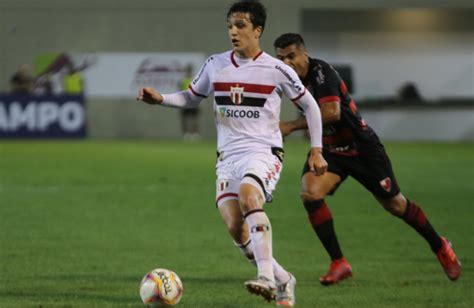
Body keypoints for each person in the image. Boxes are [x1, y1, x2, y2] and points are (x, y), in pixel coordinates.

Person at [136, 2, 327, 306]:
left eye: (240, 26)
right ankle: (283, 279)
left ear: (258, 30)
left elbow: (311, 106)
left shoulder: (277, 69)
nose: (233, 32)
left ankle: (265, 277)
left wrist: (316, 149)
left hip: (263, 150)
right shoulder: (216, 64)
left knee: (250, 196)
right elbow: (191, 96)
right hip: (227, 157)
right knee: (236, 228)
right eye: (230, 26)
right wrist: (160, 99)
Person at [273, 33, 461, 285]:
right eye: (281, 58)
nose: (287, 63)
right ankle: (339, 263)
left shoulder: (322, 73)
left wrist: (289, 126)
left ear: (304, 54)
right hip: (329, 149)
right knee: (310, 192)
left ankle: (440, 246)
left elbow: (331, 112)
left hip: (361, 148)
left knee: (395, 205)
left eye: (292, 56)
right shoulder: (287, 79)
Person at [179, 64, 201, 141]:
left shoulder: (194, 80)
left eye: (189, 71)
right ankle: (186, 134)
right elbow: (180, 91)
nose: (188, 72)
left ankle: (195, 133)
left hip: (194, 103)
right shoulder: (183, 80)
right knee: (185, 119)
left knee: (194, 119)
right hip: (185, 103)